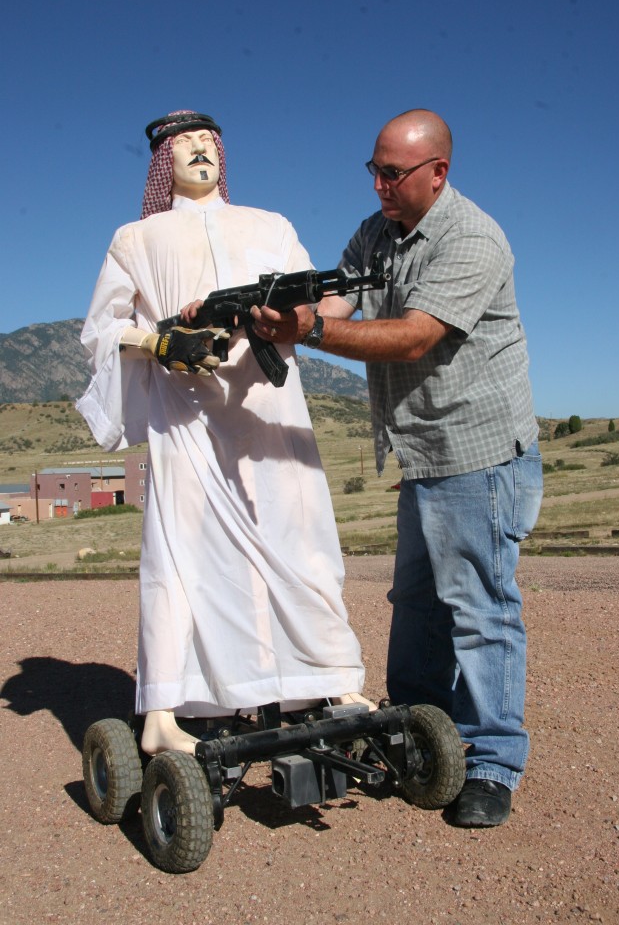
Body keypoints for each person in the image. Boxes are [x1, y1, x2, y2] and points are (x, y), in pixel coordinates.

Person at [252, 108, 543, 828]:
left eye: (393, 172)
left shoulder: (473, 238)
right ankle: (419, 729)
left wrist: (312, 330)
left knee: (479, 609)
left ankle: (492, 763)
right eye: (373, 170)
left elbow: (413, 337)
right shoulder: (374, 232)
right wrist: (270, 312)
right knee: (416, 601)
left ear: (437, 173)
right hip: (422, 452)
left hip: (477, 453)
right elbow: (335, 298)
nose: (379, 184)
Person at [77, 110, 372, 757]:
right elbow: (100, 330)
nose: (199, 148)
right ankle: (161, 709)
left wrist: (286, 318)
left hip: (272, 413)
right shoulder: (135, 237)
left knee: (301, 539)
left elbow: (312, 305)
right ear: (161, 162)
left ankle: (329, 680)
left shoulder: (273, 227)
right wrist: (158, 338)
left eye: (208, 139)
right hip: (185, 415)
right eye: (182, 143)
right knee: (178, 553)